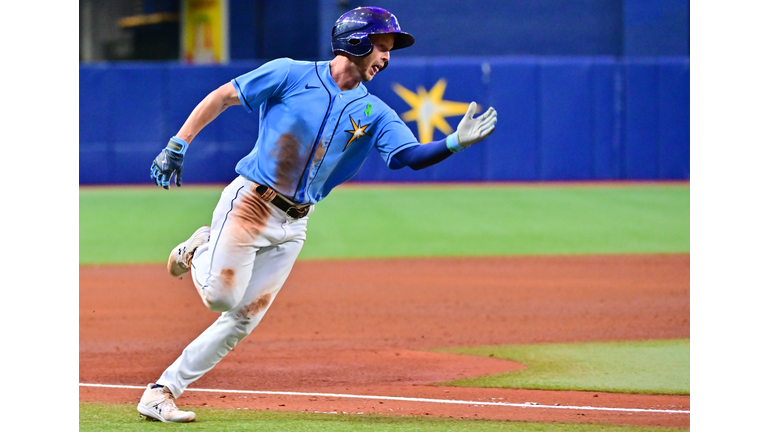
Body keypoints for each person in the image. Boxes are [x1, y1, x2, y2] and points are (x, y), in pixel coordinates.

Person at [138, 6, 497, 423]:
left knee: (242, 318)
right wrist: (178, 144)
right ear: (356, 41)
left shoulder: (374, 112)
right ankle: (200, 248)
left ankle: (162, 390)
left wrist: (453, 142)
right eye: (380, 47)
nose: (385, 58)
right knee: (222, 296)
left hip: (295, 223)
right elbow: (223, 96)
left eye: (388, 50)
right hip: (252, 202)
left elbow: (407, 157)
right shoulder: (290, 74)